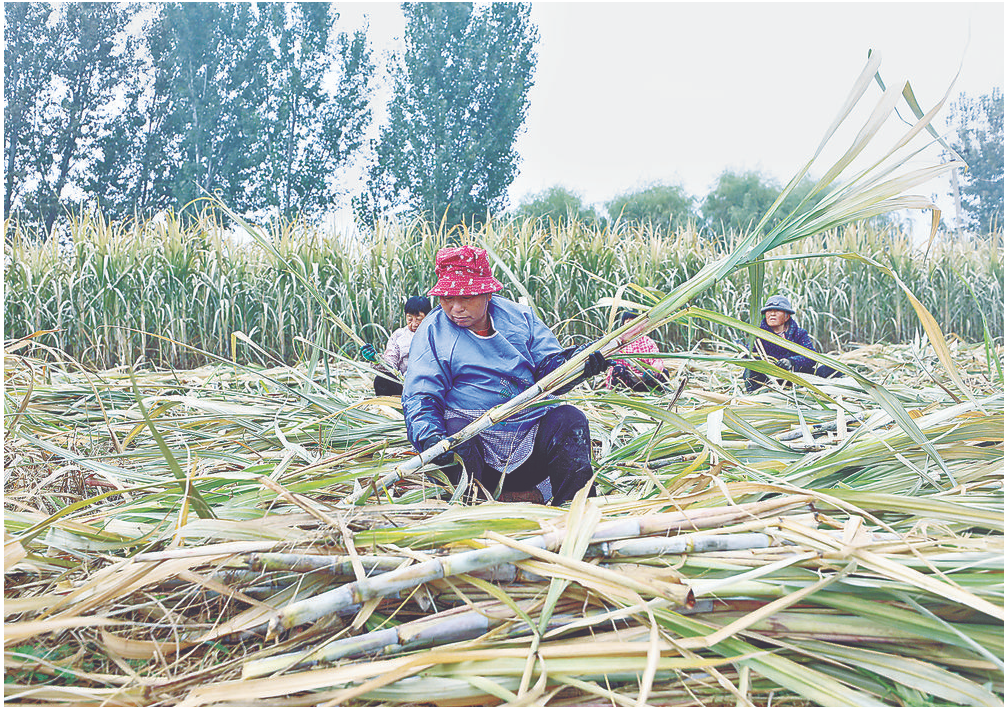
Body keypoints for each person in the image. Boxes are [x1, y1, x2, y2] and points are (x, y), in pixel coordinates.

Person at [402, 245, 608, 506]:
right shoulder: (433, 330)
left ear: (487, 292)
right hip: (473, 440)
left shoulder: (520, 319)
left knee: (570, 420)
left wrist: (578, 364)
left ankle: (574, 510)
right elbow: (421, 395)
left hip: (528, 431)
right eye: (447, 298)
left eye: (466, 298)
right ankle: (473, 503)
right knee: (455, 436)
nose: (455, 308)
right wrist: (431, 438)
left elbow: (550, 370)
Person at [744, 294, 838, 392]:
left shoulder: (799, 334)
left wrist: (791, 362)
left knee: (832, 370)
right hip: (768, 380)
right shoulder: (758, 334)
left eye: (777, 311)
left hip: (796, 377)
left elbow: (811, 357)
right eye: (769, 311)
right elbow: (749, 356)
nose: (772, 314)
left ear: (787, 317)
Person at [361, 296, 431, 397]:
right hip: (403, 384)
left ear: (428, 317)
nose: (414, 323)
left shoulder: (435, 334)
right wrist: (376, 360)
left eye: (419, 319)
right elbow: (390, 361)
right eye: (410, 319)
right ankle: (388, 405)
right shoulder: (399, 336)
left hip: (427, 385)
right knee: (381, 380)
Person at [604, 310, 668, 392]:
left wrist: (652, 372)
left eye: (635, 323)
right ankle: (619, 394)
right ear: (623, 325)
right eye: (628, 323)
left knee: (664, 373)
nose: (632, 326)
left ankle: (657, 393)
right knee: (618, 370)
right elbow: (613, 363)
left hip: (646, 381)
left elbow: (657, 360)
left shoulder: (647, 341)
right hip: (627, 382)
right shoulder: (617, 342)